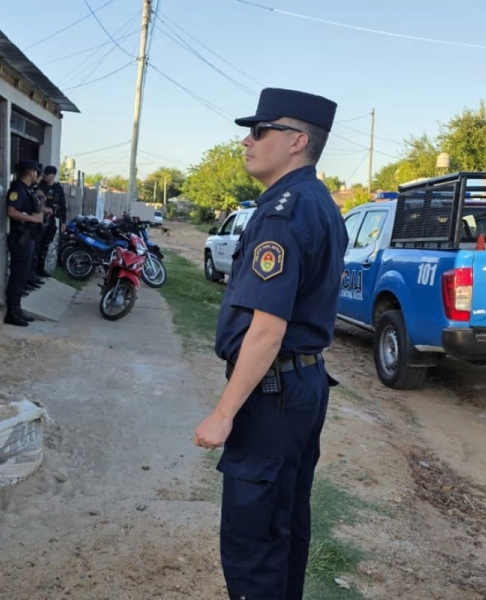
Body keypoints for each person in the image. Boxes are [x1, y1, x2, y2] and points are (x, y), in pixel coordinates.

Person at [193, 87, 348, 600]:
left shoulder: (284, 211)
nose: (247, 140)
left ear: (297, 140)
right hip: (301, 383)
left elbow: (267, 327)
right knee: (284, 524)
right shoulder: (317, 202)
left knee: (253, 538)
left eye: (260, 130)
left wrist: (223, 413)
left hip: (274, 391)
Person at [4, 159, 44, 326]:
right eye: (36, 172)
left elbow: (36, 210)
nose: (38, 175)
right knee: (17, 276)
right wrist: (32, 218)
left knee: (22, 277)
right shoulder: (17, 190)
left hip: (28, 239)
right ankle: (11, 313)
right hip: (20, 238)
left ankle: (17, 309)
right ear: (31, 172)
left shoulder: (27, 190)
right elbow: (11, 211)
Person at [36, 165, 67, 277]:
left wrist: (63, 222)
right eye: (44, 173)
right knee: (37, 245)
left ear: (53, 175)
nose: (45, 176)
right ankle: (34, 271)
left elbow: (63, 206)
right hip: (39, 219)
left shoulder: (58, 189)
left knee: (45, 245)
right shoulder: (39, 186)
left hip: (52, 220)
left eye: (47, 174)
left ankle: (40, 269)